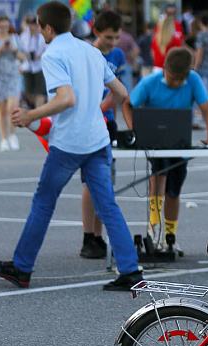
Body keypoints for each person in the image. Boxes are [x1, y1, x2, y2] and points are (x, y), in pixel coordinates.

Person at [0, 1, 141, 290]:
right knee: (107, 205)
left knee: (43, 203)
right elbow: (120, 92)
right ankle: (131, 271)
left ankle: (22, 267)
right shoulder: (90, 51)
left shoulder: (53, 53)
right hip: (98, 140)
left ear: (47, 27)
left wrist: (31, 115)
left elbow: (66, 99)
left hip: (70, 142)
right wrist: (98, 108)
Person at [124, 48, 208, 253]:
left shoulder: (193, 79)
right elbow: (128, 105)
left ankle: (170, 236)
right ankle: (153, 230)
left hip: (179, 143)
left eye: (180, 80)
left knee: (174, 191)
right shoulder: (150, 82)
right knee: (158, 180)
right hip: (155, 144)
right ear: (165, 69)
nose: (176, 83)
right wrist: (134, 131)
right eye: (173, 78)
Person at [79, 9, 128, 260]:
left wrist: (110, 113)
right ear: (96, 32)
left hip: (107, 121)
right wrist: (94, 110)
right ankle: (89, 236)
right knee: (91, 180)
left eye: (116, 37)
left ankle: (98, 236)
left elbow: (118, 90)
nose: (112, 43)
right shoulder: (87, 52)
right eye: (108, 38)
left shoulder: (117, 55)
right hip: (87, 121)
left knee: (105, 179)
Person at [0, 14, 26, 151]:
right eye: (1, 26)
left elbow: (23, 57)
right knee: (2, 110)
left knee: (12, 108)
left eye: (6, 26)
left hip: (13, 77)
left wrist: (13, 50)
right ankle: (4, 138)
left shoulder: (15, 39)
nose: (4, 29)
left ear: (9, 26)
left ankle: (13, 135)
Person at [20, 14, 48, 110]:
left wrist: (39, 56)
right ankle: (36, 106)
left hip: (40, 66)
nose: (34, 27)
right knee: (29, 92)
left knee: (40, 91)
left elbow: (48, 49)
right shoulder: (24, 36)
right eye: (32, 25)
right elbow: (21, 50)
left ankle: (38, 111)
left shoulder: (43, 36)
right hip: (28, 66)